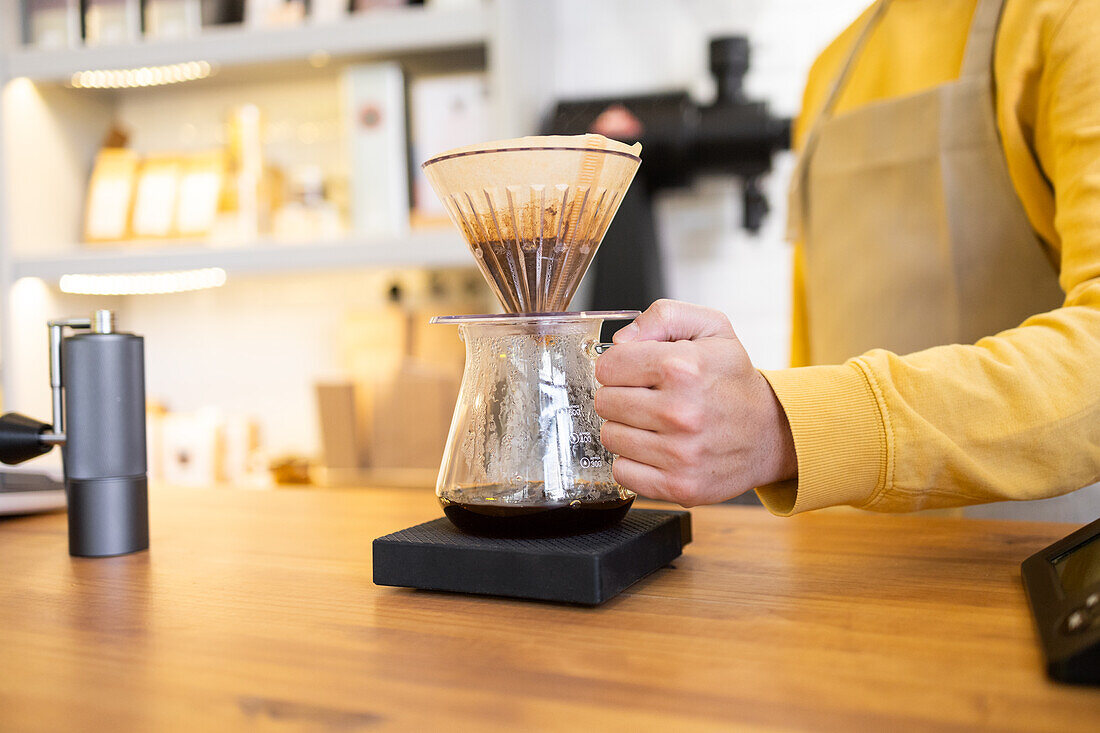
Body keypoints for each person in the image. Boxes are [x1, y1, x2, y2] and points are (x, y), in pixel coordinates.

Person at [594, 0, 1100, 517]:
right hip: (840, 564)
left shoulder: (1071, 17)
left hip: (1025, 562)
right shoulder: (831, 72)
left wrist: (787, 427)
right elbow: (822, 342)